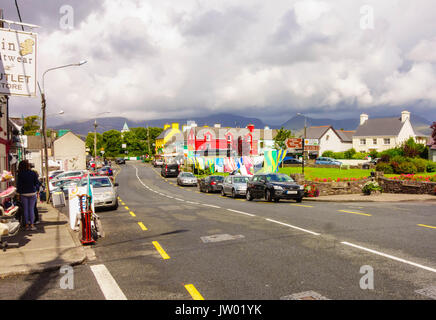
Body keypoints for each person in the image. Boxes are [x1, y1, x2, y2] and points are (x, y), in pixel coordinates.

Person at [16, 160, 39, 231]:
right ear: (28, 165)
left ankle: (26, 225)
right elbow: (36, 183)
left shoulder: (20, 174)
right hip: (32, 193)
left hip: (23, 193)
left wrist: (18, 193)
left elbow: (19, 184)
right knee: (31, 209)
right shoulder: (33, 173)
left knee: (25, 209)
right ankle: (32, 225)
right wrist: (36, 189)